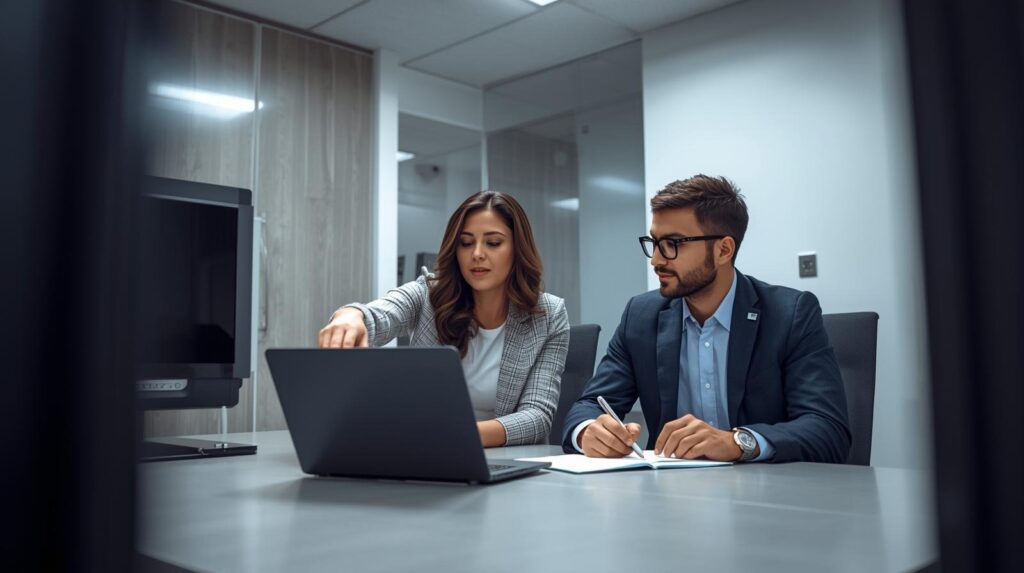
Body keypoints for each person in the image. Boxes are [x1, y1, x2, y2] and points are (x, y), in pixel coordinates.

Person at [562, 175, 850, 463]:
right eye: (655, 243)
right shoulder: (641, 315)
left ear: (724, 250)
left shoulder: (791, 314)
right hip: (670, 496)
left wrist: (737, 442)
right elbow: (589, 405)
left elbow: (827, 429)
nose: (656, 261)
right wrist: (588, 431)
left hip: (767, 494)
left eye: (673, 243)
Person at [319, 191, 570, 447]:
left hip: (503, 459)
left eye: (493, 243)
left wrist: (455, 435)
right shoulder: (429, 294)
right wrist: (351, 315)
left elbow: (537, 418)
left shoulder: (549, 315)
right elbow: (380, 314)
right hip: (424, 453)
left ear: (518, 249)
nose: (477, 254)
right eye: (466, 243)